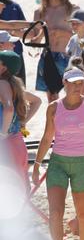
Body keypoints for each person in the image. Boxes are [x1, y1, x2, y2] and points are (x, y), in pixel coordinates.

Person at [32, 68, 84, 240]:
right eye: (72, 83)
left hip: (83, 162)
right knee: (56, 212)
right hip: (58, 162)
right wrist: (37, 164)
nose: (77, 86)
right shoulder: (54, 107)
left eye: (80, 83)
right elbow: (48, 137)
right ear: (64, 83)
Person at [33, 0, 77, 102]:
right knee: (52, 98)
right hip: (48, 56)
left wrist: (62, 33)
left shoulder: (72, 9)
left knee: (72, 95)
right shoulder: (40, 12)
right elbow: (35, 38)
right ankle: (54, 122)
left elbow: (81, 37)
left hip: (67, 56)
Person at [0, 51, 41, 188]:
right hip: (17, 141)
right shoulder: (14, 84)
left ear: (3, 68)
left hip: (6, 145)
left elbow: (9, 108)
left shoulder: (2, 83)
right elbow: (37, 101)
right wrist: (23, 121)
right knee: (20, 189)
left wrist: (2, 133)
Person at [0, 0, 28, 84]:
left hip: (16, 56)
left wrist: (11, 31)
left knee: (20, 97)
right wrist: (12, 29)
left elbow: (29, 34)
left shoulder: (15, 6)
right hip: (1, 60)